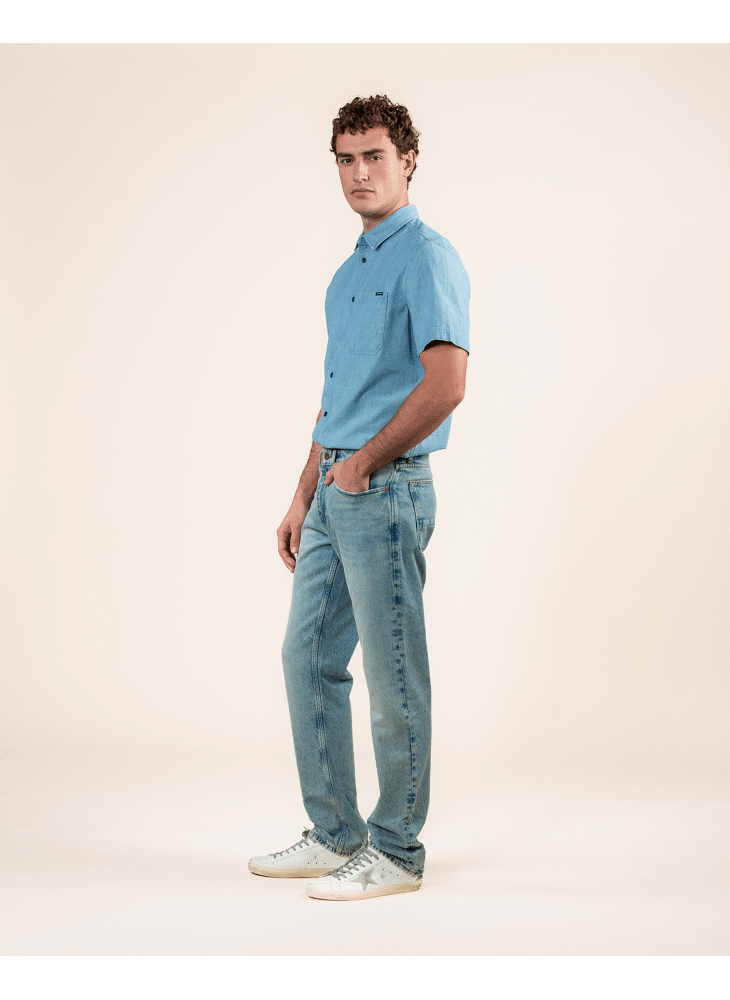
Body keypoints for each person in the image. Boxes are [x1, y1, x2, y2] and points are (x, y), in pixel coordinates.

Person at [249, 94, 470, 901]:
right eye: (345, 159)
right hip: (334, 490)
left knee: (393, 671)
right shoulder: (347, 274)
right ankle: (335, 833)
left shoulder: (428, 257)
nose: (358, 173)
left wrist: (365, 464)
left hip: (385, 486)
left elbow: (447, 385)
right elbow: (336, 397)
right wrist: (302, 494)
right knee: (306, 657)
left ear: (408, 161)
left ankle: (397, 852)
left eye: (374, 156)